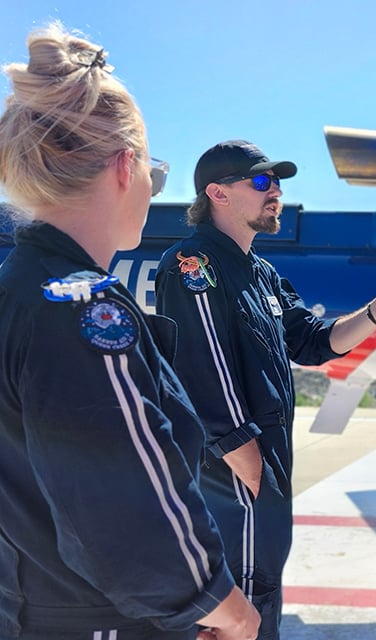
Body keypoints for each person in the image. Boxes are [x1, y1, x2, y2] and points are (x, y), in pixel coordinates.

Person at [0, 24, 259, 639]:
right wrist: (228, 608)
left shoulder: (20, 283)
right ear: (125, 167)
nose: (151, 189)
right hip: (98, 619)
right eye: (155, 173)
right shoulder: (85, 307)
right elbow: (128, 502)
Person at [154, 140, 376, 639]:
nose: (277, 193)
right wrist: (244, 459)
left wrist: (375, 313)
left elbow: (313, 343)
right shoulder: (194, 263)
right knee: (239, 604)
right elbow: (203, 368)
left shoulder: (262, 274)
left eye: (278, 182)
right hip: (230, 471)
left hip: (265, 464)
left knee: (262, 592)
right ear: (217, 194)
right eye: (263, 182)